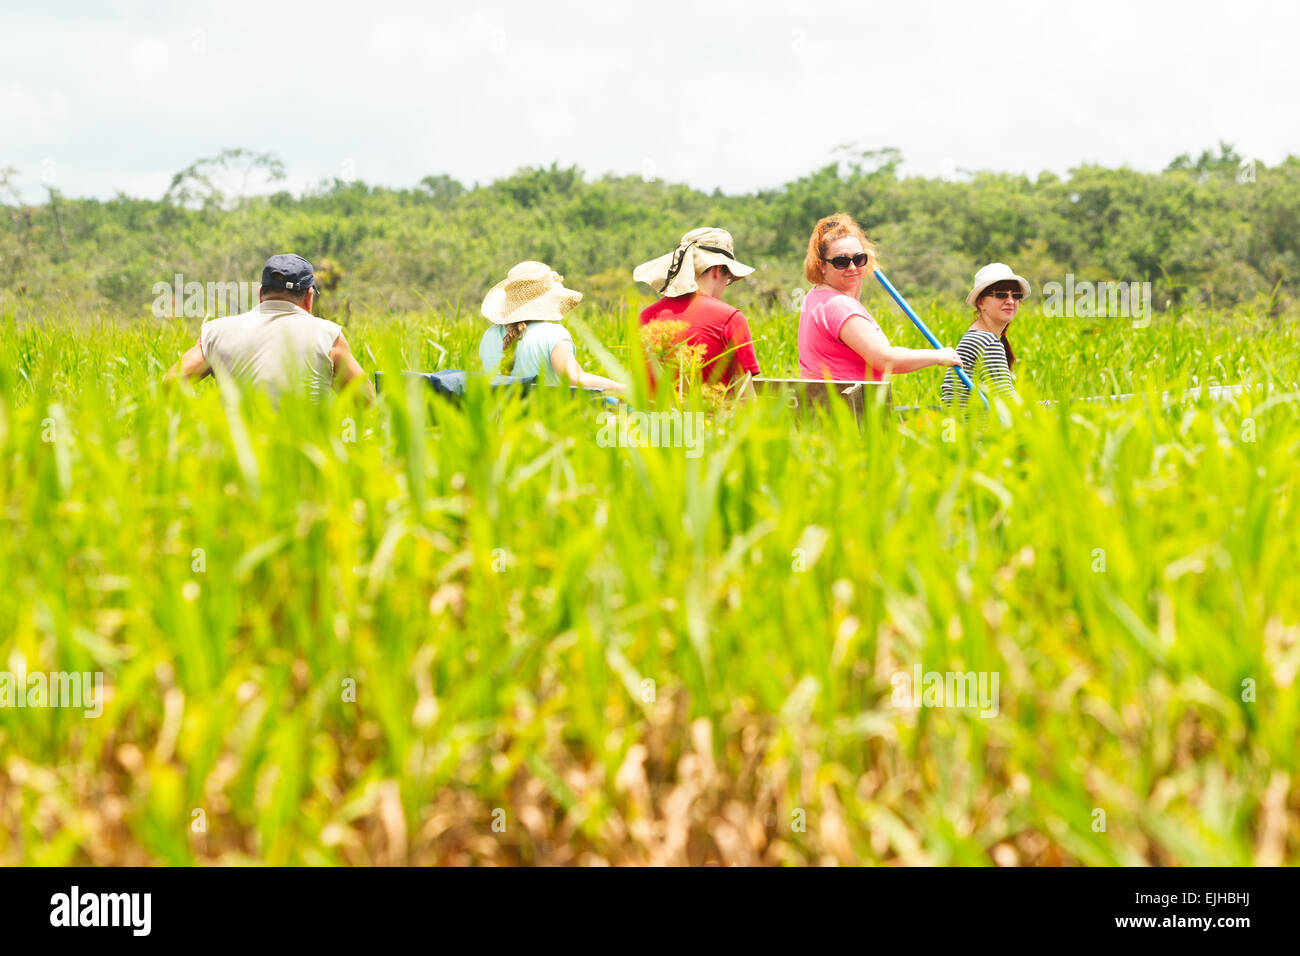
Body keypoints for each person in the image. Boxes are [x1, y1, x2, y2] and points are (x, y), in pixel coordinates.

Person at [164, 253, 374, 404]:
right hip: (303, 458)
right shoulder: (328, 335)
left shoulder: (216, 331)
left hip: (234, 457)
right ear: (309, 297)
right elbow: (366, 400)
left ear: (260, 293)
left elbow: (169, 384)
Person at [797, 213, 961, 382]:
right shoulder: (839, 306)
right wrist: (939, 356)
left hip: (822, 402)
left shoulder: (816, 296)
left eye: (859, 258)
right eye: (841, 261)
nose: (852, 267)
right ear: (822, 266)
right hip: (851, 405)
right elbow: (885, 360)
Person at [633, 227, 761, 399]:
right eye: (729, 277)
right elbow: (746, 402)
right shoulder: (731, 319)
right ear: (718, 269)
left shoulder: (644, 318)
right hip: (710, 425)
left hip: (652, 425)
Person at [479, 261, 625, 392]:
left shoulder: (488, 335)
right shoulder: (554, 334)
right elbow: (575, 379)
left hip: (502, 419)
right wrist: (624, 389)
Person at [941, 263, 1028, 407]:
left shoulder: (977, 335)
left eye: (1016, 295)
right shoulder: (985, 340)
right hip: (975, 428)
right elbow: (1009, 403)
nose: (1011, 301)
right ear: (981, 302)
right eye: (1001, 295)